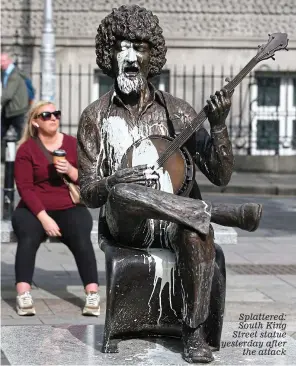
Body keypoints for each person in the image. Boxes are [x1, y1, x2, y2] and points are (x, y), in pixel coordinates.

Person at [77, 5, 262, 363]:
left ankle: (194, 332)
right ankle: (210, 212)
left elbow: (220, 175)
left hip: (174, 220)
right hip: (126, 224)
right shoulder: (94, 116)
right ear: (110, 55)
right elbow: (87, 193)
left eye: (140, 47)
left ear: (152, 57)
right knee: (124, 190)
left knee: (196, 231)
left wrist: (220, 125)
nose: (130, 56)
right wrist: (112, 181)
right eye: (122, 46)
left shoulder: (177, 112)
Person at [12, 101, 100, 317]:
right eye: (46, 115)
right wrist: (44, 219)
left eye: (56, 114)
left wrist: (70, 170)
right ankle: (23, 294)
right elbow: (25, 188)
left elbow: (89, 179)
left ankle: (92, 293)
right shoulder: (27, 149)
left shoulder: (71, 144)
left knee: (81, 236)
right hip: (34, 209)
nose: (53, 118)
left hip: (68, 206)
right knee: (28, 238)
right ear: (35, 122)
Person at [1, 53, 29, 141]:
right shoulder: (6, 73)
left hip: (17, 110)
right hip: (10, 109)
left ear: (9, 61)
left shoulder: (13, 75)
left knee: (22, 136)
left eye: (3, 61)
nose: (1, 63)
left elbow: (8, 95)